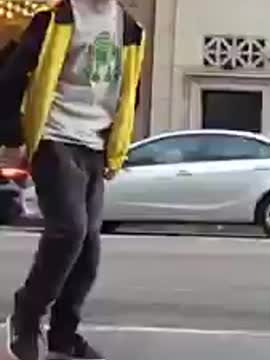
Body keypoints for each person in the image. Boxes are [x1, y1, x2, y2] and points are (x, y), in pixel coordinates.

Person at [0, 0, 145, 359]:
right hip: (54, 136)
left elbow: (128, 89)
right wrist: (12, 133)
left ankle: (64, 335)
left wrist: (118, 144)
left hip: (97, 144)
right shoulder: (53, 19)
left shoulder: (129, 27)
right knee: (69, 230)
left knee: (88, 250)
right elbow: (12, 76)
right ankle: (26, 315)